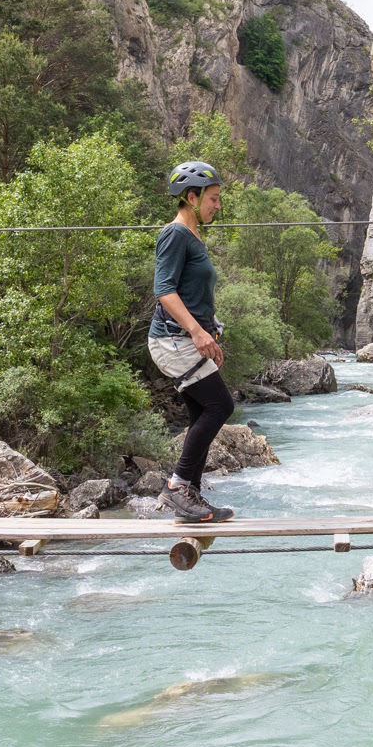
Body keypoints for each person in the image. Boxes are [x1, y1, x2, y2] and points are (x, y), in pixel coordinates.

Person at [148, 160, 238, 524]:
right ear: (191, 197)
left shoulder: (194, 236)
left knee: (203, 413)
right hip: (172, 340)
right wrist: (198, 333)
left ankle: (191, 496)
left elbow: (193, 295)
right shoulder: (175, 234)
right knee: (220, 406)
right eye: (213, 198)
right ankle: (177, 487)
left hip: (186, 338)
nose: (218, 205)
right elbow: (164, 291)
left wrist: (209, 332)